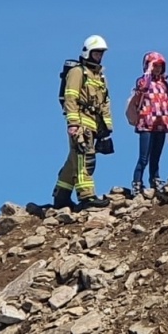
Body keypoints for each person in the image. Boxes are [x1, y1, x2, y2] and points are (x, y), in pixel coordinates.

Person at [54, 35, 113, 209]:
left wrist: (107, 128)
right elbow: (70, 98)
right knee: (84, 158)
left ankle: (61, 195)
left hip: (93, 124)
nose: (99, 56)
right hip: (80, 122)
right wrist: (73, 124)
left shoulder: (100, 76)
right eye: (96, 53)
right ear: (88, 52)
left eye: (101, 53)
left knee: (73, 159)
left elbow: (105, 103)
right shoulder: (78, 72)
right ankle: (87, 197)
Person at [128, 52, 168, 194]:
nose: (157, 69)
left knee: (156, 156)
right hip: (146, 125)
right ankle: (137, 183)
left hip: (161, 125)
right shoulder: (143, 82)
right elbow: (142, 88)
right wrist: (148, 72)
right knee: (144, 157)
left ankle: (155, 180)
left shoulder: (165, 85)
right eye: (154, 65)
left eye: (159, 66)